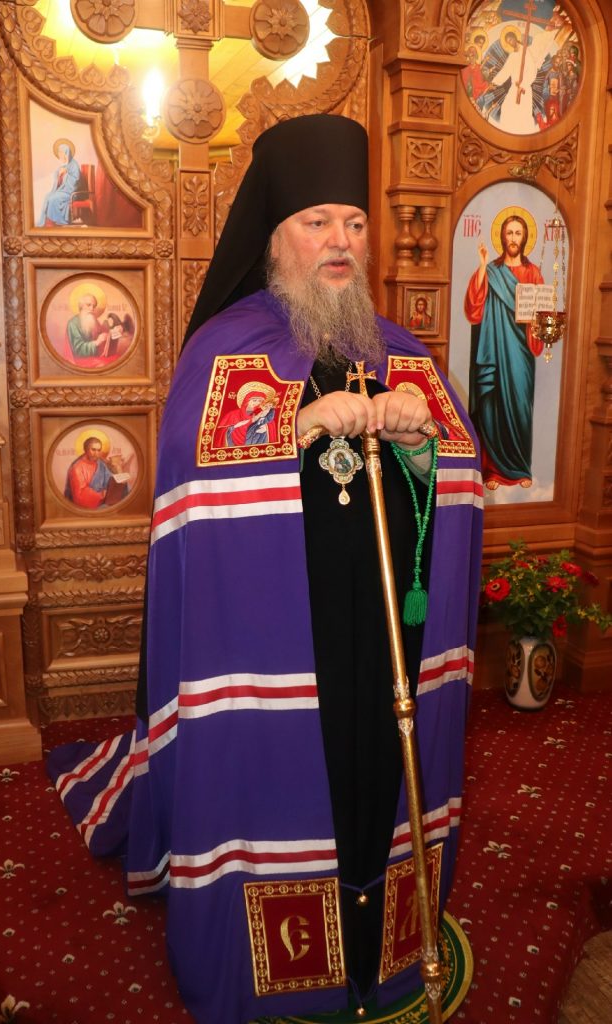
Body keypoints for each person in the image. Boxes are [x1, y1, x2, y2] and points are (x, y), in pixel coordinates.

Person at [48, 115, 483, 1024]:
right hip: (274, 635)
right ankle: (281, 962)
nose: (340, 242)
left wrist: (419, 443)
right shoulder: (225, 347)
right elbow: (194, 486)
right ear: (275, 238)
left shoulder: (400, 350)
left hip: (384, 633)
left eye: (352, 224)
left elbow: (457, 477)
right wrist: (301, 425)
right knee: (290, 779)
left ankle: (383, 931)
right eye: (317, 223)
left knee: (375, 765)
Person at [464, 214, 544, 490]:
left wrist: (540, 323)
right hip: (493, 352)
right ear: (502, 236)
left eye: (518, 233)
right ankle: (493, 471)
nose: (513, 238)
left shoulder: (533, 273)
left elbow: (541, 314)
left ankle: (520, 468)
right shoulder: (492, 270)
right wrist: (482, 265)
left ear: (525, 238)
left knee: (521, 406)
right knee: (493, 405)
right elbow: (474, 309)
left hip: (521, 353)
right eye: (509, 233)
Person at [64, 436, 129, 508]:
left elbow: (111, 480)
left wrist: (118, 469)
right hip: (91, 505)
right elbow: (80, 494)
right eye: (93, 450)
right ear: (86, 449)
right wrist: (102, 495)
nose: (96, 453)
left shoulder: (101, 463)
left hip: (105, 501)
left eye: (98, 450)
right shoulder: (77, 467)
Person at [37, 139, 82, 227]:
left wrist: (65, 174)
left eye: (61, 153)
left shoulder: (74, 165)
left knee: (53, 198)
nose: (59, 155)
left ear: (66, 153)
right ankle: (48, 222)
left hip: (71, 192)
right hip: (63, 191)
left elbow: (76, 181)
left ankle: (57, 221)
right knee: (47, 197)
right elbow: (58, 177)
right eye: (59, 153)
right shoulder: (66, 165)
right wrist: (59, 173)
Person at [65, 293, 110, 363]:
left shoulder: (94, 321)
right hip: (80, 360)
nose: (92, 309)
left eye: (94, 306)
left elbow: (102, 335)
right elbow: (78, 349)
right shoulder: (73, 323)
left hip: (95, 357)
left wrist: (112, 333)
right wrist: (97, 342)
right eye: (89, 305)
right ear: (81, 306)